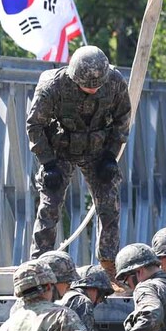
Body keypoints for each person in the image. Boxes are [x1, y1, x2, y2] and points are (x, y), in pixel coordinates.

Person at [27, 46, 131, 283]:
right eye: (87, 86)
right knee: (49, 207)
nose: (93, 90)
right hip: (60, 151)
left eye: (97, 87)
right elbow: (35, 126)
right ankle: (38, 268)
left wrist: (110, 157)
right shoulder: (52, 86)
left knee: (109, 206)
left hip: (98, 151)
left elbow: (123, 119)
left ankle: (109, 266)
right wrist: (48, 163)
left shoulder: (114, 82)